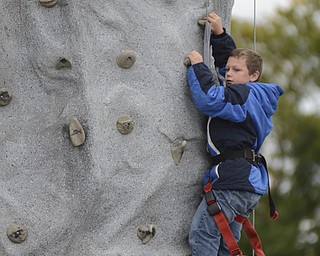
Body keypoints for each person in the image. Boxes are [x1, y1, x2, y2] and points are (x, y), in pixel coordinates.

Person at [186, 12, 284, 256]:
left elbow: (209, 99)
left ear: (253, 76)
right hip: (247, 185)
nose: (228, 73)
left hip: (234, 180)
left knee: (203, 234)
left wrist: (197, 66)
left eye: (236, 70)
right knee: (223, 244)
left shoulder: (244, 95)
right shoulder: (255, 96)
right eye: (228, 69)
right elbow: (225, 69)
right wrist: (219, 34)